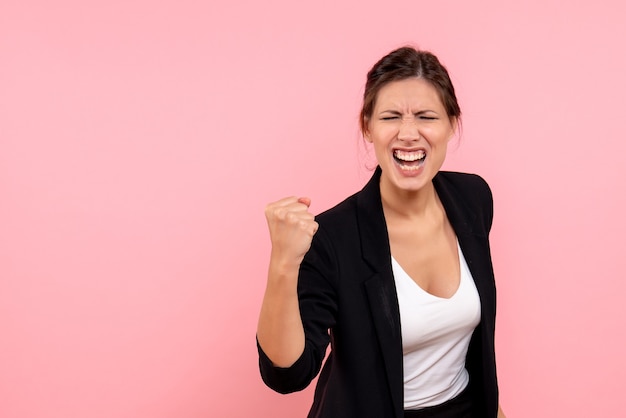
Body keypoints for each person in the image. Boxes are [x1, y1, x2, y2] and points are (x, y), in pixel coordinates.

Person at [257, 46, 506, 418]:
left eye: (426, 116)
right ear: (367, 127)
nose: (408, 134)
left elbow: (474, 346)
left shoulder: (473, 199)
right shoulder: (333, 237)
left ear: (452, 124)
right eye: (390, 117)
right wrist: (282, 262)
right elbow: (288, 374)